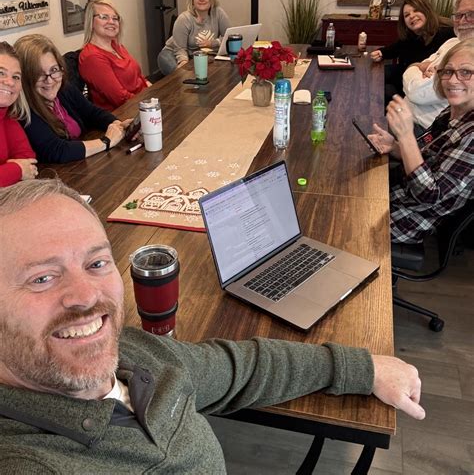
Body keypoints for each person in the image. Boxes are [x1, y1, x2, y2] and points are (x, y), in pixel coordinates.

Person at [0, 179, 425, 473]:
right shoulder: (27, 461)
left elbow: (239, 367)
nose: (86, 295)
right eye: (42, 278)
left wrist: (362, 368)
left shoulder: (137, 353)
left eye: (96, 263)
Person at [369, 39, 474, 244]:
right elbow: (426, 157)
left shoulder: (470, 136)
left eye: (466, 72)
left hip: (408, 218)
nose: (453, 80)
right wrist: (395, 146)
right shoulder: (451, 112)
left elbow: (429, 195)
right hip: (396, 193)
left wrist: (406, 136)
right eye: (447, 71)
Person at [15, 34, 131, 164]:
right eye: (38, 74)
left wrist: (120, 126)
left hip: (84, 164)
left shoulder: (64, 89)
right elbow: (57, 150)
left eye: (54, 70)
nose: (50, 80)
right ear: (24, 78)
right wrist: (106, 141)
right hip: (61, 172)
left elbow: (92, 113)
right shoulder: (23, 111)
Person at [402, 0, 474, 132]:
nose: (462, 21)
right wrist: (416, 66)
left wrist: (413, 68)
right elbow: (420, 64)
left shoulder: (467, 56)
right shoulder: (452, 41)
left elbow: (417, 93)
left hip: (426, 130)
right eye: (458, 15)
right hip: (406, 117)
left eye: (471, 14)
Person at [370, 0, 455, 100]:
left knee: (380, 91)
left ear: (426, 11)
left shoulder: (447, 34)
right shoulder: (411, 35)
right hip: (404, 76)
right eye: (406, 15)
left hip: (419, 88)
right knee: (375, 77)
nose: (411, 16)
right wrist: (381, 53)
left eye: (416, 11)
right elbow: (394, 48)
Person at [79, 0, 151, 111]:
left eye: (115, 18)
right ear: (91, 22)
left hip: (143, 102)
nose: (111, 22)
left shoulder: (117, 46)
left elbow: (140, 77)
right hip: (125, 113)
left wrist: (155, 93)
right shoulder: (92, 57)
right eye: (104, 17)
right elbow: (121, 98)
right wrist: (150, 105)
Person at [157, 0, 230, 75]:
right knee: (182, 76)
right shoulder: (184, 19)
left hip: (198, 56)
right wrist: (184, 64)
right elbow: (180, 49)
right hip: (173, 53)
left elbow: (228, 37)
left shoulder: (218, 13)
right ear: (192, 0)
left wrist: (212, 43)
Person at [0, 41, 37, 186]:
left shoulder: (6, 115)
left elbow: (28, 161)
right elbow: (22, 168)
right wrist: (17, 169)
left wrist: (9, 171)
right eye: (1, 73)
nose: (10, 82)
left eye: (16, 77)